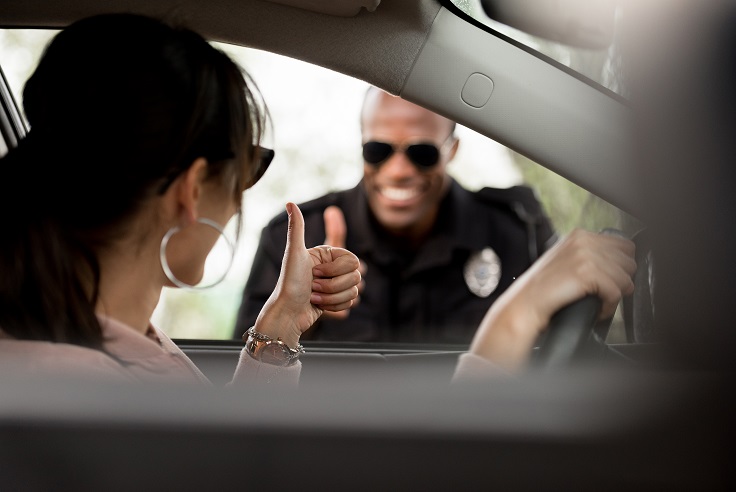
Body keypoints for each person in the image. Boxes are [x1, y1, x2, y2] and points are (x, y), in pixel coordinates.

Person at [0, 12, 635, 386]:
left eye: (419, 151)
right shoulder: (77, 387)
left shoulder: (106, 347)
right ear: (193, 190)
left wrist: (277, 328)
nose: (398, 169)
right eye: (249, 166)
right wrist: (509, 327)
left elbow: (224, 460)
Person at [234, 87, 557, 343]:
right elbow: (244, 378)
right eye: (378, 151)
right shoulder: (294, 240)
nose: (399, 170)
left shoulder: (516, 232)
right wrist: (302, 322)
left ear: (452, 150)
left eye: (422, 153)